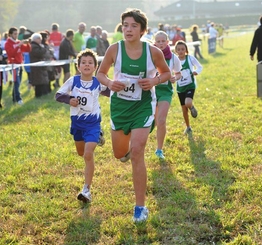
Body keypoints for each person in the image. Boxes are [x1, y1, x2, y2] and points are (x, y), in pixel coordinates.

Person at [96, 8, 171, 223]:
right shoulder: (114, 49)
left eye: (134, 26)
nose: (128, 29)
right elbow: (100, 74)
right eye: (125, 25)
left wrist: (154, 81)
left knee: (137, 152)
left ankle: (140, 207)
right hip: (120, 107)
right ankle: (126, 149)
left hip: (143, 106)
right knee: (120, 154)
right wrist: (110, 83)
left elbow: (165, 73)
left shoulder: (152, 52)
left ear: (143, 30)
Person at [55, 49, 109, 203]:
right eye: (83, 63)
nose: (86, 65)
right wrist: (69, 99)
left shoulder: (98, 82)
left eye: (90, 63)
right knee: (81, 153)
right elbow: (58, 95)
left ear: (95, 66)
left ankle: (86, 190)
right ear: (78, 66)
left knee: (88, 154)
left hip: (93, 123)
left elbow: (112, 92)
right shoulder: (73, 81)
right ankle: (97, 137)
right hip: (77, 124)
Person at [152, 31, 181, 160]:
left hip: (165, 92)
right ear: (154, 43)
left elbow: (178, 73)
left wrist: (175, 77)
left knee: (161, 120)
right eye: (158, 41)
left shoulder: (173, 58)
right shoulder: (150, 56)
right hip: (151, 91)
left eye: (163, 41)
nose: (161, 43)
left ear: (167, 42)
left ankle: (159, 149)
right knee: (152, 121)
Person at [174, 40, 203, 135]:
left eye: (183, 49)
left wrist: (196, 72)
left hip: (190, 85)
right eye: (178, 49)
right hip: (180, 88)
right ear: (176, 51)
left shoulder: (190, 58)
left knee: (188, 102)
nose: (181, 51)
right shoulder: (174, 60)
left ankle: (192, 107)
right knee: (184, 110)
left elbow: (199, 67)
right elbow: (169, 70)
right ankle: (188, 127)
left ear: (186, 49)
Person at [5, 27, 31, 105]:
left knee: (18, 82)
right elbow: (11, 53)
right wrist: (18, 45)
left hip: (19, 64)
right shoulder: (8, 43)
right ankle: (18, 98)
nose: (16, 35)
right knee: (17, 81)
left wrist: (28, 43)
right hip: (13, 65)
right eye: (14, 34)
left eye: (17, 33)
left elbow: (27, 50)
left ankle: (15, 97)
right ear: (10, 34)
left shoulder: (18, 42)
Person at [29, 33, 51, 98]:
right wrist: (44, 48)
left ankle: (42, 94)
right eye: (39, 39)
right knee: (38, 83)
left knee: (41, 81)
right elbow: (39, 53)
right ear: (35, 39)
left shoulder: (37, 46)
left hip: (40, 67)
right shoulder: (33, 46)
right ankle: (38, 95)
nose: (40, 40)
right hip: (36, 67)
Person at [49, 23, 63, 88]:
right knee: (58, 68)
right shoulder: (60, 34)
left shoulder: (50, 35)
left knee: (56, 68)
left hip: (53, 52)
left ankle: (56, 81)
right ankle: (57, 81)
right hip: (57, 52)